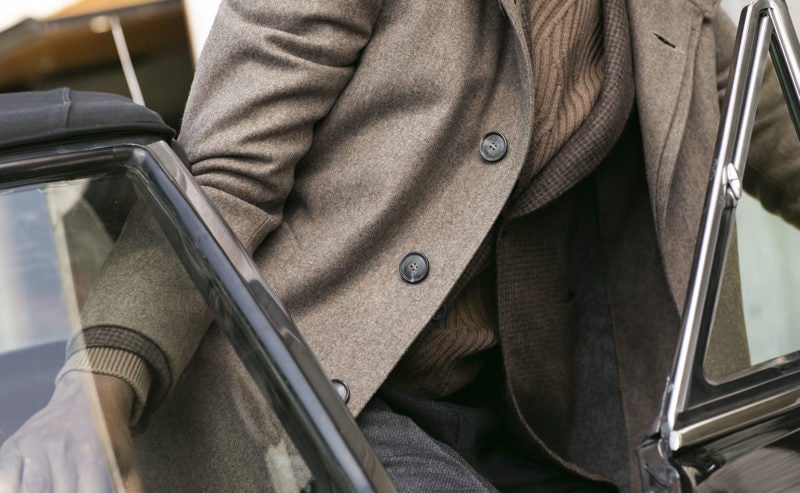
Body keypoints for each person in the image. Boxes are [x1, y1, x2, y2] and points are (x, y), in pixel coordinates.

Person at [2, 0, 800, 491]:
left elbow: (766, 127)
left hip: (520, 416)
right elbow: (221, 174)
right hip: (315, 388)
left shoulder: (676, 10)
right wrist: (94, 388)